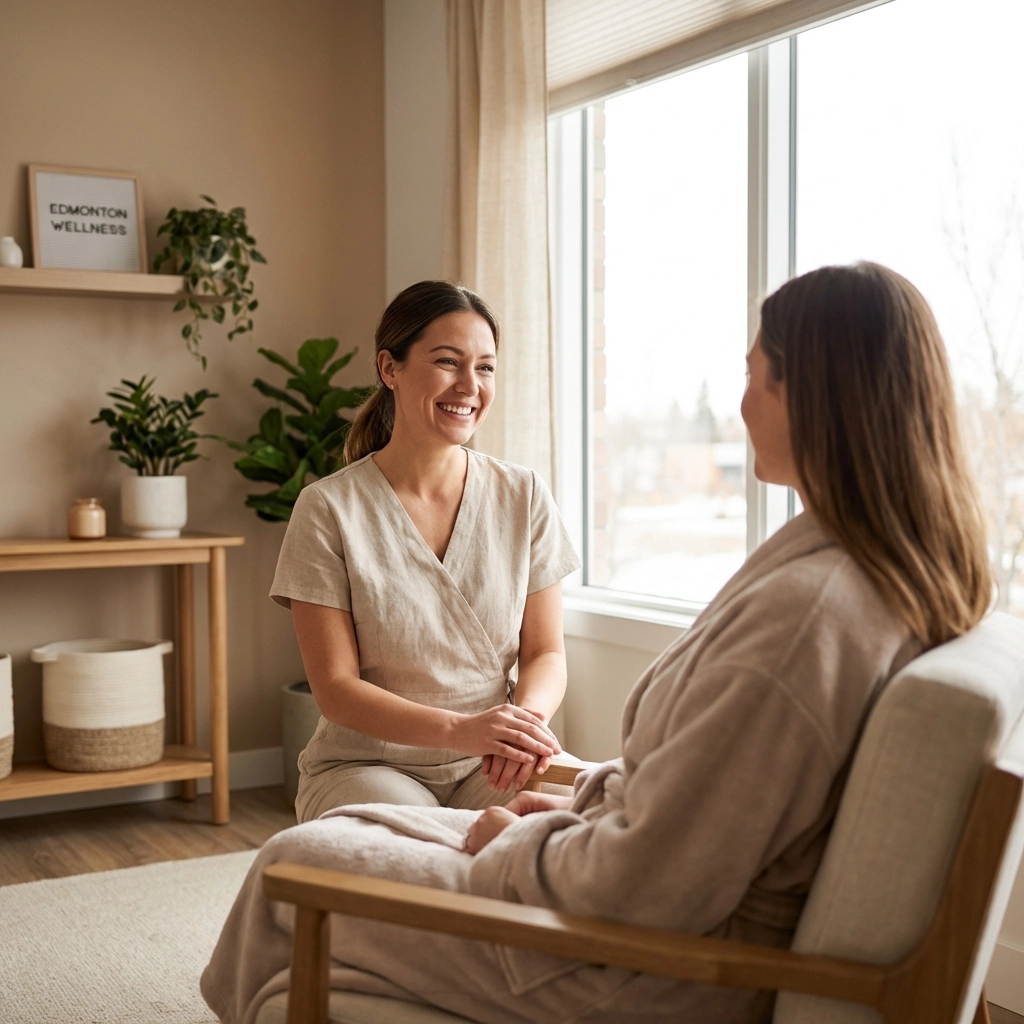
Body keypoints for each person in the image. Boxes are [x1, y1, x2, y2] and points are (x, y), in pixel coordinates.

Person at [203, 263, 992, 1024]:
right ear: (391, 369)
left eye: (754, 375)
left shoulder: (807, 620)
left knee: (294, 866)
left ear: (815, 396)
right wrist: (574, 804)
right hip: (452, 795)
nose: (740, 402)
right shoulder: (852, 582)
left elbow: (647, 877)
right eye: (447, 362)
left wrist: (521, 837)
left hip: (632, 959)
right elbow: (691, 813)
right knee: (342, 840)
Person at [271, 281, 580, 822]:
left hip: (491, 759)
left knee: (591, 815)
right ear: (389, 368)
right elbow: (337, 690)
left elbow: (545, 654)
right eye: (447, 362)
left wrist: (522, 726)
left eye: (485, 368)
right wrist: (462, 729)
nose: (470, 385)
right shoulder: (327, 508)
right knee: (418, 841)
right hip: (368, 765)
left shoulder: (524, 494)